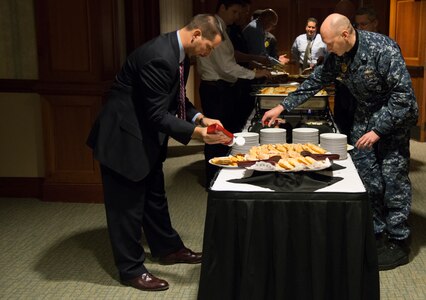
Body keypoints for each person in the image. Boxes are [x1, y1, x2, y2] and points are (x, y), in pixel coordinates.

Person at [262, 13, 419, 271]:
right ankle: (376, 232)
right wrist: (282, 106)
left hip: (392, 120)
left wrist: (379, 131)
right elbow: (316, 81)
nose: (327, 48)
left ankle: (399, 240)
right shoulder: (339, 54)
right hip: (364, 117)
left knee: (393, 179)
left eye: (330, 42)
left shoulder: (382, 48)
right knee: (367, 176)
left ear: (345, 35)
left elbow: (404, 98)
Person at [86, 14, 231, 292]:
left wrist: (200, 118)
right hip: (123, 137)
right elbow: (156, 113)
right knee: (126, 207)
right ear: (197, 34)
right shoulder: (159, 56)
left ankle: (167, 248)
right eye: (209, 47)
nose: (208, 53)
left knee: (154, 195)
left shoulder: (178, 54)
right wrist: (199, 135)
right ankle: (131, 269)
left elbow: (176, 98)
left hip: (145, 134)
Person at [196, 0, 271, 186]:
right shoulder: (213, 28)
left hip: (222, 88)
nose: (238, 16)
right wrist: (255, 74)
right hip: (215, 89)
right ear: (222, 7)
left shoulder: (223, 27)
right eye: (235, 11)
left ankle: (222, 176)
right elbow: (226, 67)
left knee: (224, 135)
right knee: (216, 137)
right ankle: (214, 180)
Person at [334, 7, 379, 141]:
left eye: (363, 24)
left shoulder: (384, 46)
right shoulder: (351, 44)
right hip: (346, 99)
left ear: (375, 23)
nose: (359, 28)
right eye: (357, 24)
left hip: (373, 111)